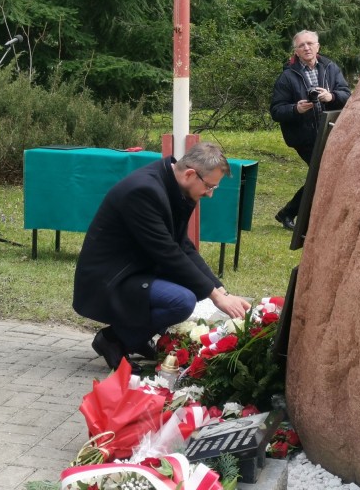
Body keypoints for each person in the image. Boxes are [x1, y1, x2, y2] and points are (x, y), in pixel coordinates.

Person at [73, 141, 251, 373]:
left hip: (136, 269)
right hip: (109, 279)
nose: (209, 194)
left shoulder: (170, 184)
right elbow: (167, 252)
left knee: (191, 289)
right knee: (181, 300)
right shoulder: (144, 191)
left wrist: (221, 291)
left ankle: (133, 338)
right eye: (209, 187)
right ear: (190, 174)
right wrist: (215, 297)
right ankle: (113, 338)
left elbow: (182, 246)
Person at [269, 30, 351, 231]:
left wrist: (331, 97)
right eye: (301, 45)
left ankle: (290, 212)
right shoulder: (287, 76)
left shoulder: (330, 68)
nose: (306, 48)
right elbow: (276, 110)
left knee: (323, 174)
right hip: (303, 137)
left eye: (310, 44)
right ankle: (291, 212)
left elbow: (347, 94)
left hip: (329, 131)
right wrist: (296, 109)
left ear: (318, 46)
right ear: (296, 51)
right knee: (322, 174)